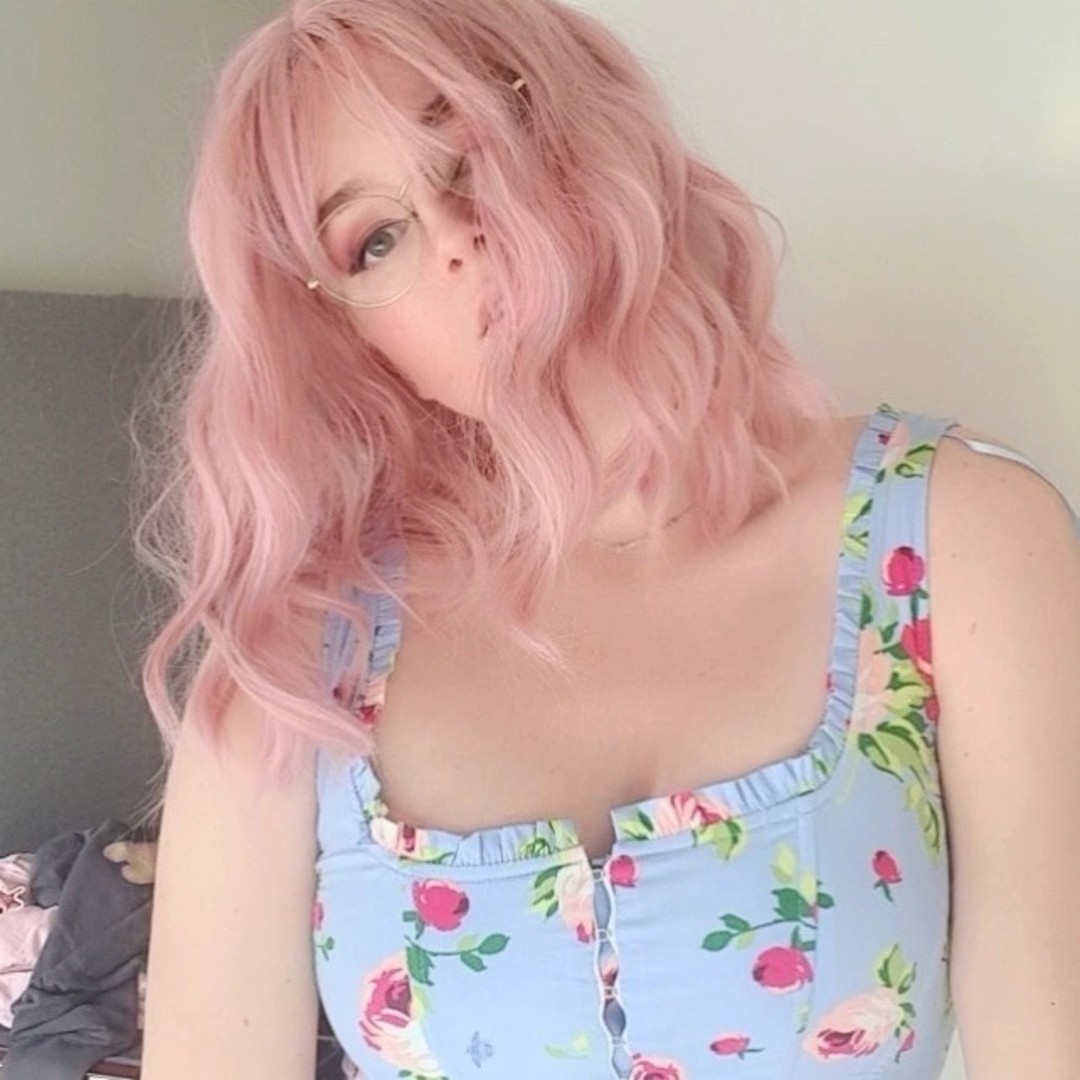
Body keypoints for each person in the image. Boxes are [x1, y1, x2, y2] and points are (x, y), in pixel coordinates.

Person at [132, 2, 1079, 1078]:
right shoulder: (298, 665)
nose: (456, 240)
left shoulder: (958, 536)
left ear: (587, 124)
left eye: (470, 152)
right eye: (373, 241)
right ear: (348, 329)